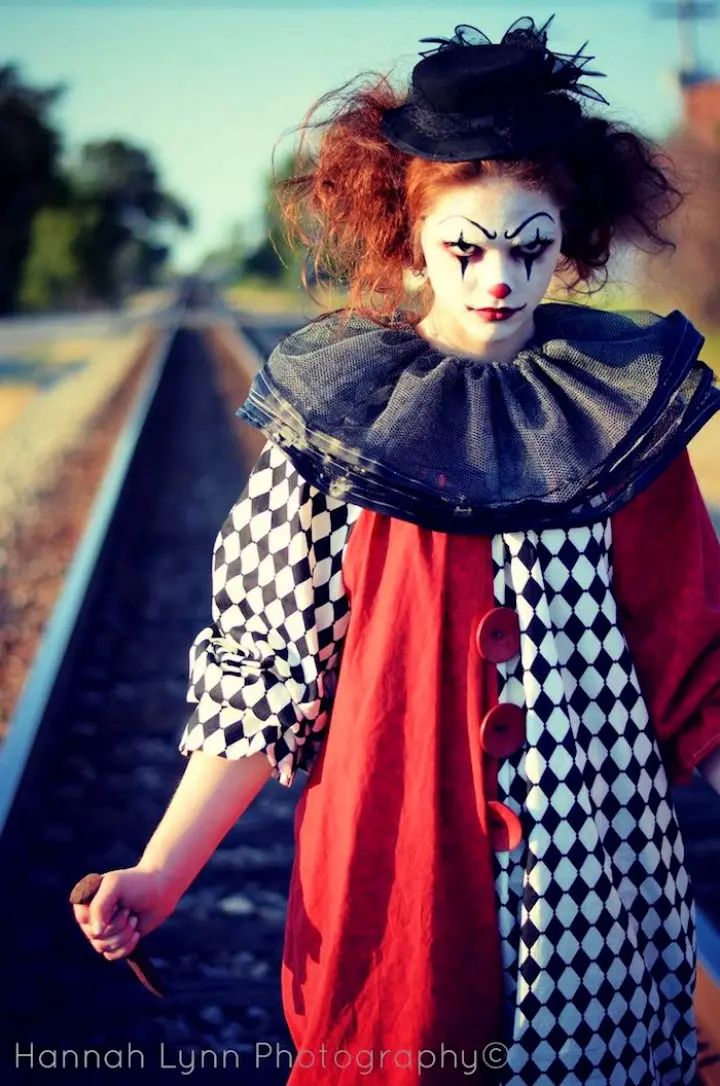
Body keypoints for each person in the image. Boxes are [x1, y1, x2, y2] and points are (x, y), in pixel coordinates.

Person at [72, 14, 720, 1085]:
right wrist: (161, 869)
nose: (497, 279)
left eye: (530, 247)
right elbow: (265, 670)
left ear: (570, 241)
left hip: (597, 886)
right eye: (465, 247)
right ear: (412, 237)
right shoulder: (337, 426)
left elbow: (693, 658)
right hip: (398, 857)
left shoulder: (625, 417)